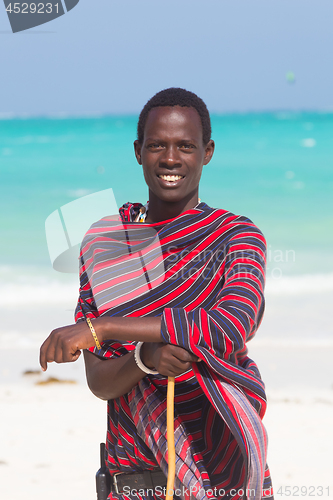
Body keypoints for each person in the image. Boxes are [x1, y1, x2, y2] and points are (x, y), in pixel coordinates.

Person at [40, 88, 273, 500]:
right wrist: (144, 359)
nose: (170, 159)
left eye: (185, 146)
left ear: (208, 152)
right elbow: (101, 382)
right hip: (129, 481)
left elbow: (228, 327)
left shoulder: (236, 238)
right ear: (138, 151)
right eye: (156, 146)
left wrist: (102, 326)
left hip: (219, 473)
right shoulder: (107, 244)